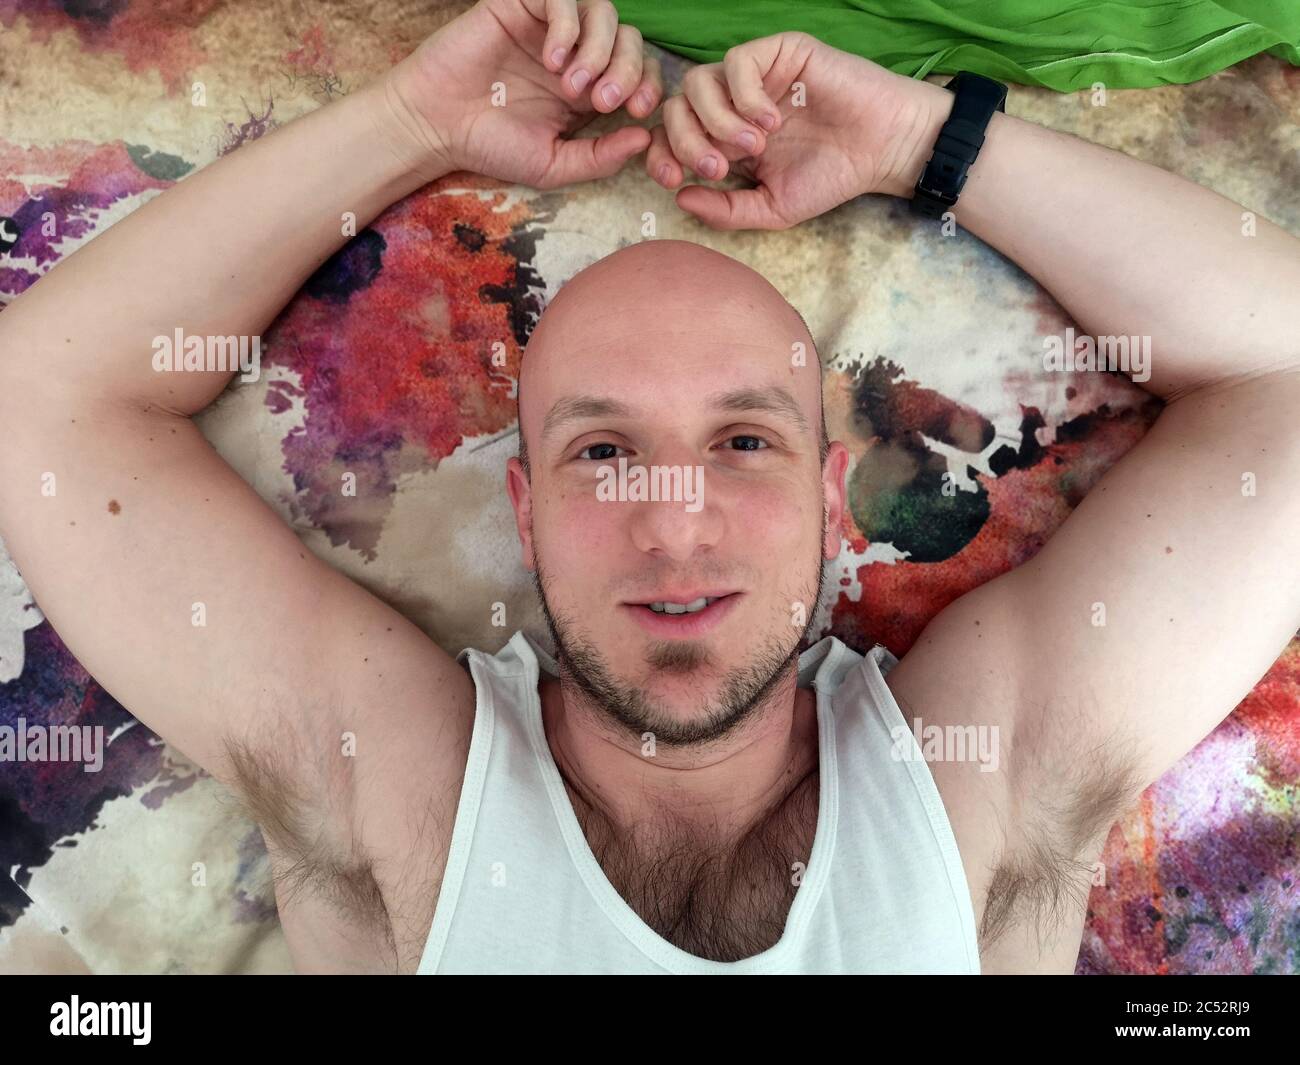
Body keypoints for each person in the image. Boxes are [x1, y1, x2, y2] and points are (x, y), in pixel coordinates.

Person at [0, 0, 1296, 975]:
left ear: (834, 499)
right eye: (603, 452)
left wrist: (926, 139)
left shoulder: (973, 788)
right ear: (522, 509)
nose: (674, 524)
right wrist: (410, 123)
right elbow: (42, 400)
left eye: (743, 442)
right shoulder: (401, 786)